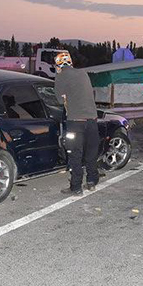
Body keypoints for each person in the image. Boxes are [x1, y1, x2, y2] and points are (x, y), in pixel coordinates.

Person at [54, 52, 100, 196]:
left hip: (76, 123)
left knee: (75, 154)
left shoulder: (61, 76)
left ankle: (76, 187)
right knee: (91, 153)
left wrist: (59, 78)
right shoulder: (83, 73)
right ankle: (92, 181)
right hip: (92, 121)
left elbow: (60, 100)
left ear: (59, 65)